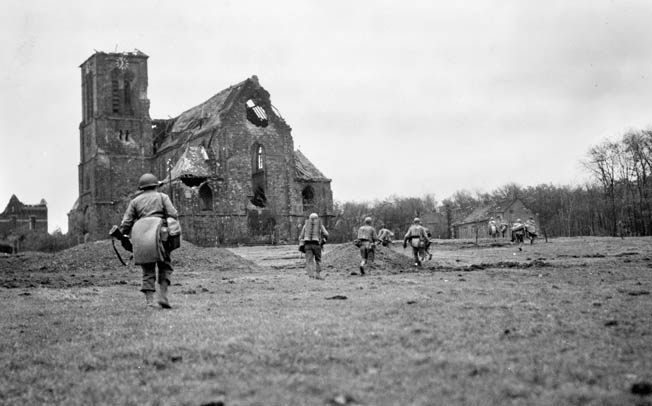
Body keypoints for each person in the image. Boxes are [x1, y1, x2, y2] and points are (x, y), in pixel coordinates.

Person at [118, 173, 178, 308]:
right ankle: (163, 296)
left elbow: (126, 223)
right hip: (161, 236)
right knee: (165, 266)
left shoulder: (135, 201)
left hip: (142, 236)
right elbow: (173, 214)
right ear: (156, 185)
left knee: (147, 269)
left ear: (141, 187)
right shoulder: (163, 197)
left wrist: (123, 234)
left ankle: (149, 302)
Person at [298, 213, 329, 280]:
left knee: (309, 261)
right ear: (317, 218)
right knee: (318, 260)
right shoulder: (320, 225)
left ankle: (311, 276)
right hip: (317, 245)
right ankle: (318, 275)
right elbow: (326, 234)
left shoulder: (305, 225)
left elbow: (301, 237)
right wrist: (323, 240)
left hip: (307, 245)